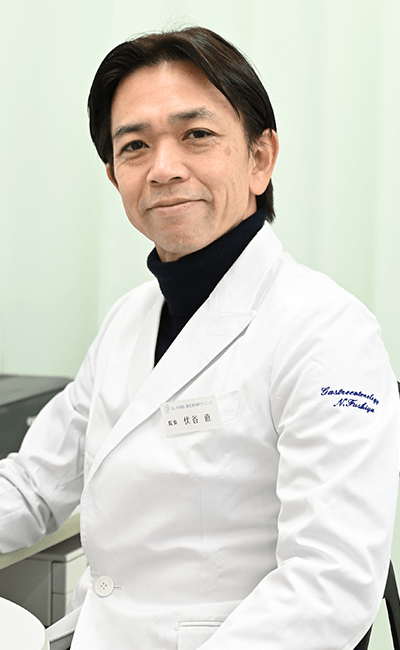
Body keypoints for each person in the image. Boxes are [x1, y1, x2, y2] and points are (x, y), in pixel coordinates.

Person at [0, 26, 399, 650]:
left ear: (260, 158)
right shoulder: (127, 321)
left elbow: (329, 583)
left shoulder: (327, 330)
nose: (163, 169)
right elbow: (32, 486)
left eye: (197, 135)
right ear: (115, 177)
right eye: (135, 146)